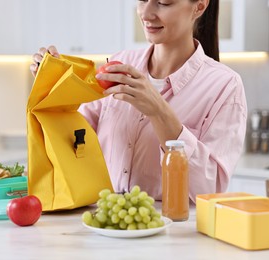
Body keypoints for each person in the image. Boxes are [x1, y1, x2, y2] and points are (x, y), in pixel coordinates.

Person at [29, 0, 247, 203]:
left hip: (176, 235)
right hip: (105, 224)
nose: (146, 13)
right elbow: (73, 143)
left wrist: (159, 112)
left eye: (163, 2)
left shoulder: (225, 86)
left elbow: (210, 188)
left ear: (199, 6)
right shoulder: (120, 64)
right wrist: (56, 89)